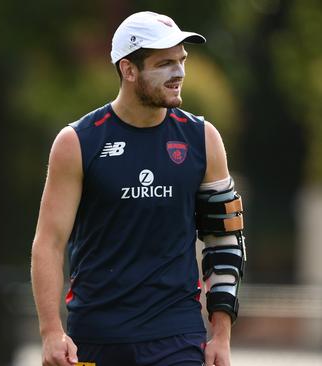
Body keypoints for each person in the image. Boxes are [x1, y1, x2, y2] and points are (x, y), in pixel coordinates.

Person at [31, 11, 246, 366]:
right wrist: (51, 331)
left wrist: (221, 334)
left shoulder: (203, 139)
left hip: (176, 336)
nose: (178, 73)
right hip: (96, 335)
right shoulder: (77, 142)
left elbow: (224, 240)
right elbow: (49, 243)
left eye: (181, 61)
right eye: (164, 63)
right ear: (128, 70)